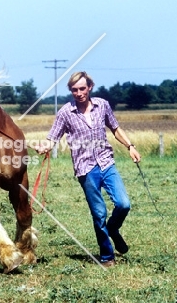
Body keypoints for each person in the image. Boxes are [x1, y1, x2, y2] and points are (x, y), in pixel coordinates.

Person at [35, 71, 141, 267]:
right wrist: (44, 147)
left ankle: (113, 229)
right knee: (99, 213)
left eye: (82, 88)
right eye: (74, 90)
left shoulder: (103, 105)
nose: (79, 93)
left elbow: (115, 128)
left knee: (124, 204)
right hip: (85, 169)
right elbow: (53, 138)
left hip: (106, 162)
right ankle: (107, 256)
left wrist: (130, 146)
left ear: (89, 87)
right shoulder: (65, 113)